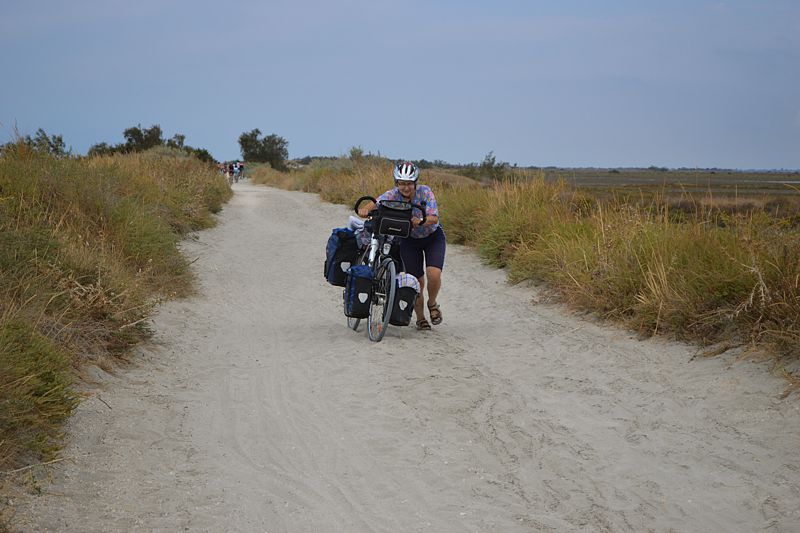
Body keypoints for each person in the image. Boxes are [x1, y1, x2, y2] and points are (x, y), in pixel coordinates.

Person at [358, 161, 446, 331]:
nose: (406, 188)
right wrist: (364, 210)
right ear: (396, 183)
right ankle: (421, 319)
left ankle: (432, 304)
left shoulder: (425, 192)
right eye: (402, 183)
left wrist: (420, 221)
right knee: (416, 282)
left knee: (433, 274)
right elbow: (376, 202)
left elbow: (434, 218)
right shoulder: (392, 195)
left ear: (415, 183)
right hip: (408, 241)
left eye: (409, 184)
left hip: (432, 237)